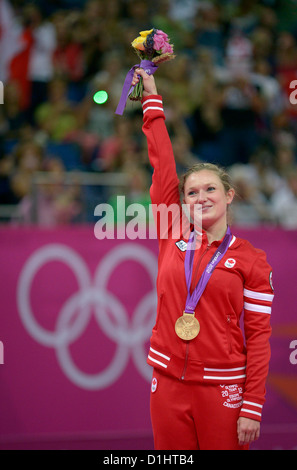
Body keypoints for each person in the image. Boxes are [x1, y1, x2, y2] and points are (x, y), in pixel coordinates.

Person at [131, 68, 274, 450]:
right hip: (167, 384)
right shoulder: (171, 232)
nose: (201, 197)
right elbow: (162, 161)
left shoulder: (252, 260)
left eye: (211, 188)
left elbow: (259, 339)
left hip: (223, 388)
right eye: (192, 192)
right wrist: (151, 96)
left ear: (229, 196)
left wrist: (253, 405)